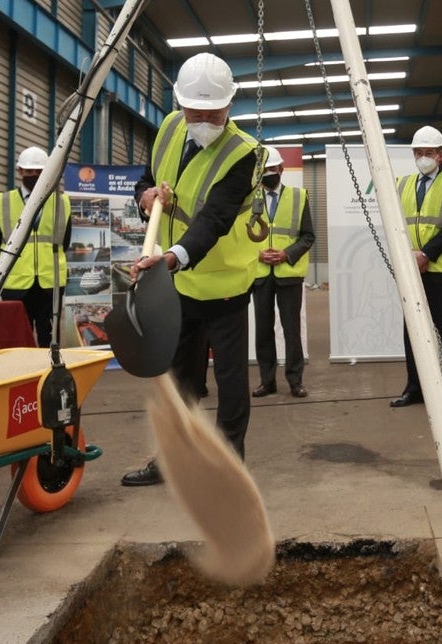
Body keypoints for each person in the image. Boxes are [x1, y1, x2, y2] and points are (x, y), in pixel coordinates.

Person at [120, 52, 260, 487]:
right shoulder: (168, 129)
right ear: (179, 104)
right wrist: (145, 196)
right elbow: (147, 178)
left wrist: (172, 256)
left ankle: (229, 465)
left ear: (229, 105)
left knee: (231, 378)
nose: (200, 121)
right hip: (180, 283)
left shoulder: (244, 154)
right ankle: (172, 461)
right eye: (192, 112)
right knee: (178, 376)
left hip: (224, 284)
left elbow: (214, 218)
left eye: (210, 113)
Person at [390, 125, 442, 410]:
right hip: (411, 269)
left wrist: (426, 255)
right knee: (412, 330)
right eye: (418, 152)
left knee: (441, 331)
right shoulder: (401, 184)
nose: (423, 157)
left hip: (441, 270)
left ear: (441, 154)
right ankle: (415, 389)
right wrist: (409, 257)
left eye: (429, 152)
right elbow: (396, 224)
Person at [0, 146, 71, 348]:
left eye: (38, 172)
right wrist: (13, 264)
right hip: (15, 284)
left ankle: (47, 375)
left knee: (49, 338)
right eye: (29, 171)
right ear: (20, 172)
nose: (33, 176)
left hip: (50, 282)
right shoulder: (2, 201)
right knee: (15, 338)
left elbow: (63, 242)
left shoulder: (62, 202)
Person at [250, 145, 315, 399]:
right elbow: (240, 238)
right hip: (260, 274)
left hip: (288, 274)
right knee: (263, 330)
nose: (268, 173)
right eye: (264, 170)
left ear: (281, 169)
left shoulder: (299, 197)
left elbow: (308, 235)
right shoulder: (250, 200)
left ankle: (295, 380)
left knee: (291, 329)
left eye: (272, 169)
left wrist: (287, 254)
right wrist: (258, 254)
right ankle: (267, 381)